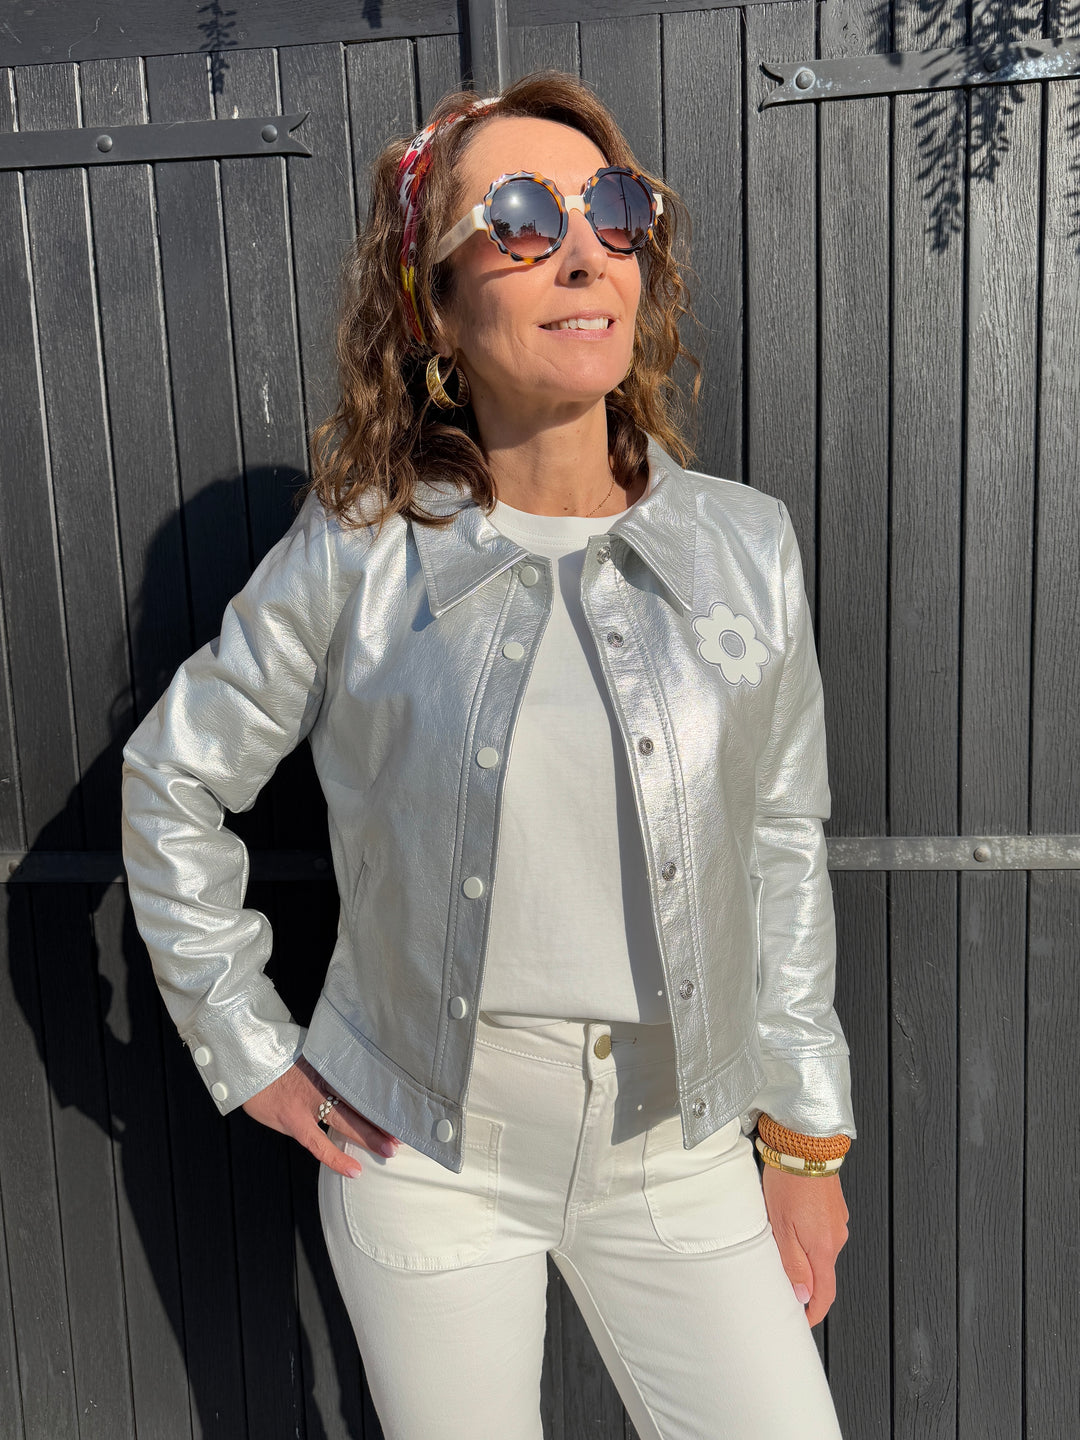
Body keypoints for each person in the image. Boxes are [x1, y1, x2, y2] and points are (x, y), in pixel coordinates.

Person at [121, 69, 855, 1440]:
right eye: (518, 218)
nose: (583, 251)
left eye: (614, 209)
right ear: (435, 306)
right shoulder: (360, 549)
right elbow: (174, 780)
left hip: (683, 1149)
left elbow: (781, 841)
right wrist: (248, 1043)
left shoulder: (745, 547)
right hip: (428, 1156)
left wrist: (806, 1138)